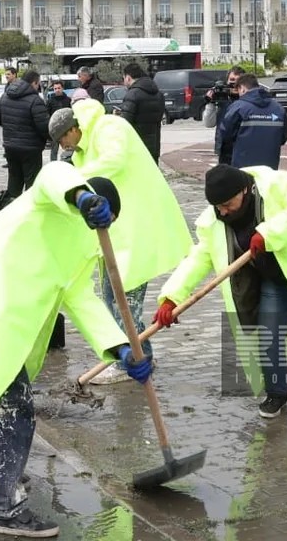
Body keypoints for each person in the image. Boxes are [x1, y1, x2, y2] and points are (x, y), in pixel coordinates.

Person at [0, 167, 153, 538]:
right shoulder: (49, 201)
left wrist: (122, 349)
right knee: (14, 414)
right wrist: (81, 196)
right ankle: (3, 508)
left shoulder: (79, 246)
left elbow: (81, 299)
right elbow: (54, 174)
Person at [153, 164, 287, 429]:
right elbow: (199, 257)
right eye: (218, 207)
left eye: (227, 204)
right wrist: (171, 297)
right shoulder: (214, 220)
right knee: (268, 335)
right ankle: (277, 393)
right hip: (275, 281)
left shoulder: (277, 186)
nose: (223, 211)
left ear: (244, 190)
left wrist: (268, 232)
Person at [51, 101, 191, 385]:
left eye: (62, 139)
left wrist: (75, 178)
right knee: (111, 299)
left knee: (123, 305)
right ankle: (138, 354)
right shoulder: (81, 151)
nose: (63, 146)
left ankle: (136, 360)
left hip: (136, 231)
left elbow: (113, 161)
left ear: (73, 129)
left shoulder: (109, 128)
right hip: (112, 235)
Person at [0, 70, 50, 199]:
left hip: (10, 146)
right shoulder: (35, 100)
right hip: (31, 148)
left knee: (14, 182)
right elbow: (44, 126)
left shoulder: (6, 95)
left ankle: (12, 210)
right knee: (32, 185)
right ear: (34, 83)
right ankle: (31, 213)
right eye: (38, 84)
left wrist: (11, 128)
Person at [218, 73, 287, 169]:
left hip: (243, 167)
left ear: (242, 88)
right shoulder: (278, 108)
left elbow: (226, 133)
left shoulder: (238, 107)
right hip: (269, 167)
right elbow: (284, 136)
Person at [117, 62, 166, 163]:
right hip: (154, 145)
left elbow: (125, 123)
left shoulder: (132, 94)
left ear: (128, 77)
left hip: (136, 145)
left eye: (124, 78)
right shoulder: (158, 93)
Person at [210, 65, 246, 157]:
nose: (234, 84)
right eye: (232, 80)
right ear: (227, 81)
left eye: (238, 81)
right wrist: (210, 104)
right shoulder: (222, 98)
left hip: (244, 148)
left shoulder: (248, 101)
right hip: (224, 149)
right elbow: (209, 124)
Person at [44, 80, 72, 162]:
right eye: (55, 88)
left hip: (67, 129)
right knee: (54, 150)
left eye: (59, 88)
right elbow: (47, 114)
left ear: (62, 88)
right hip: (54, 129)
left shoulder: (68, 100)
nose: (57, 90)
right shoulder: (50, 101)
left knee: (69, 149)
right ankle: (53, 165)